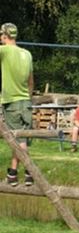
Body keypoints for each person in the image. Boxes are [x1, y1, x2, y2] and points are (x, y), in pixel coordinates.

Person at [0, 23, 34, 186]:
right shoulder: (27, 54)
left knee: (18, 141)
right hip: (25, 102)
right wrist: (28, 98)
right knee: (22, 140)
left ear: (4, 36)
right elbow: (31, 81)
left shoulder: (4, 51)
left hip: (11, 102)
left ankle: (29, 171)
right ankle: (14, 174)